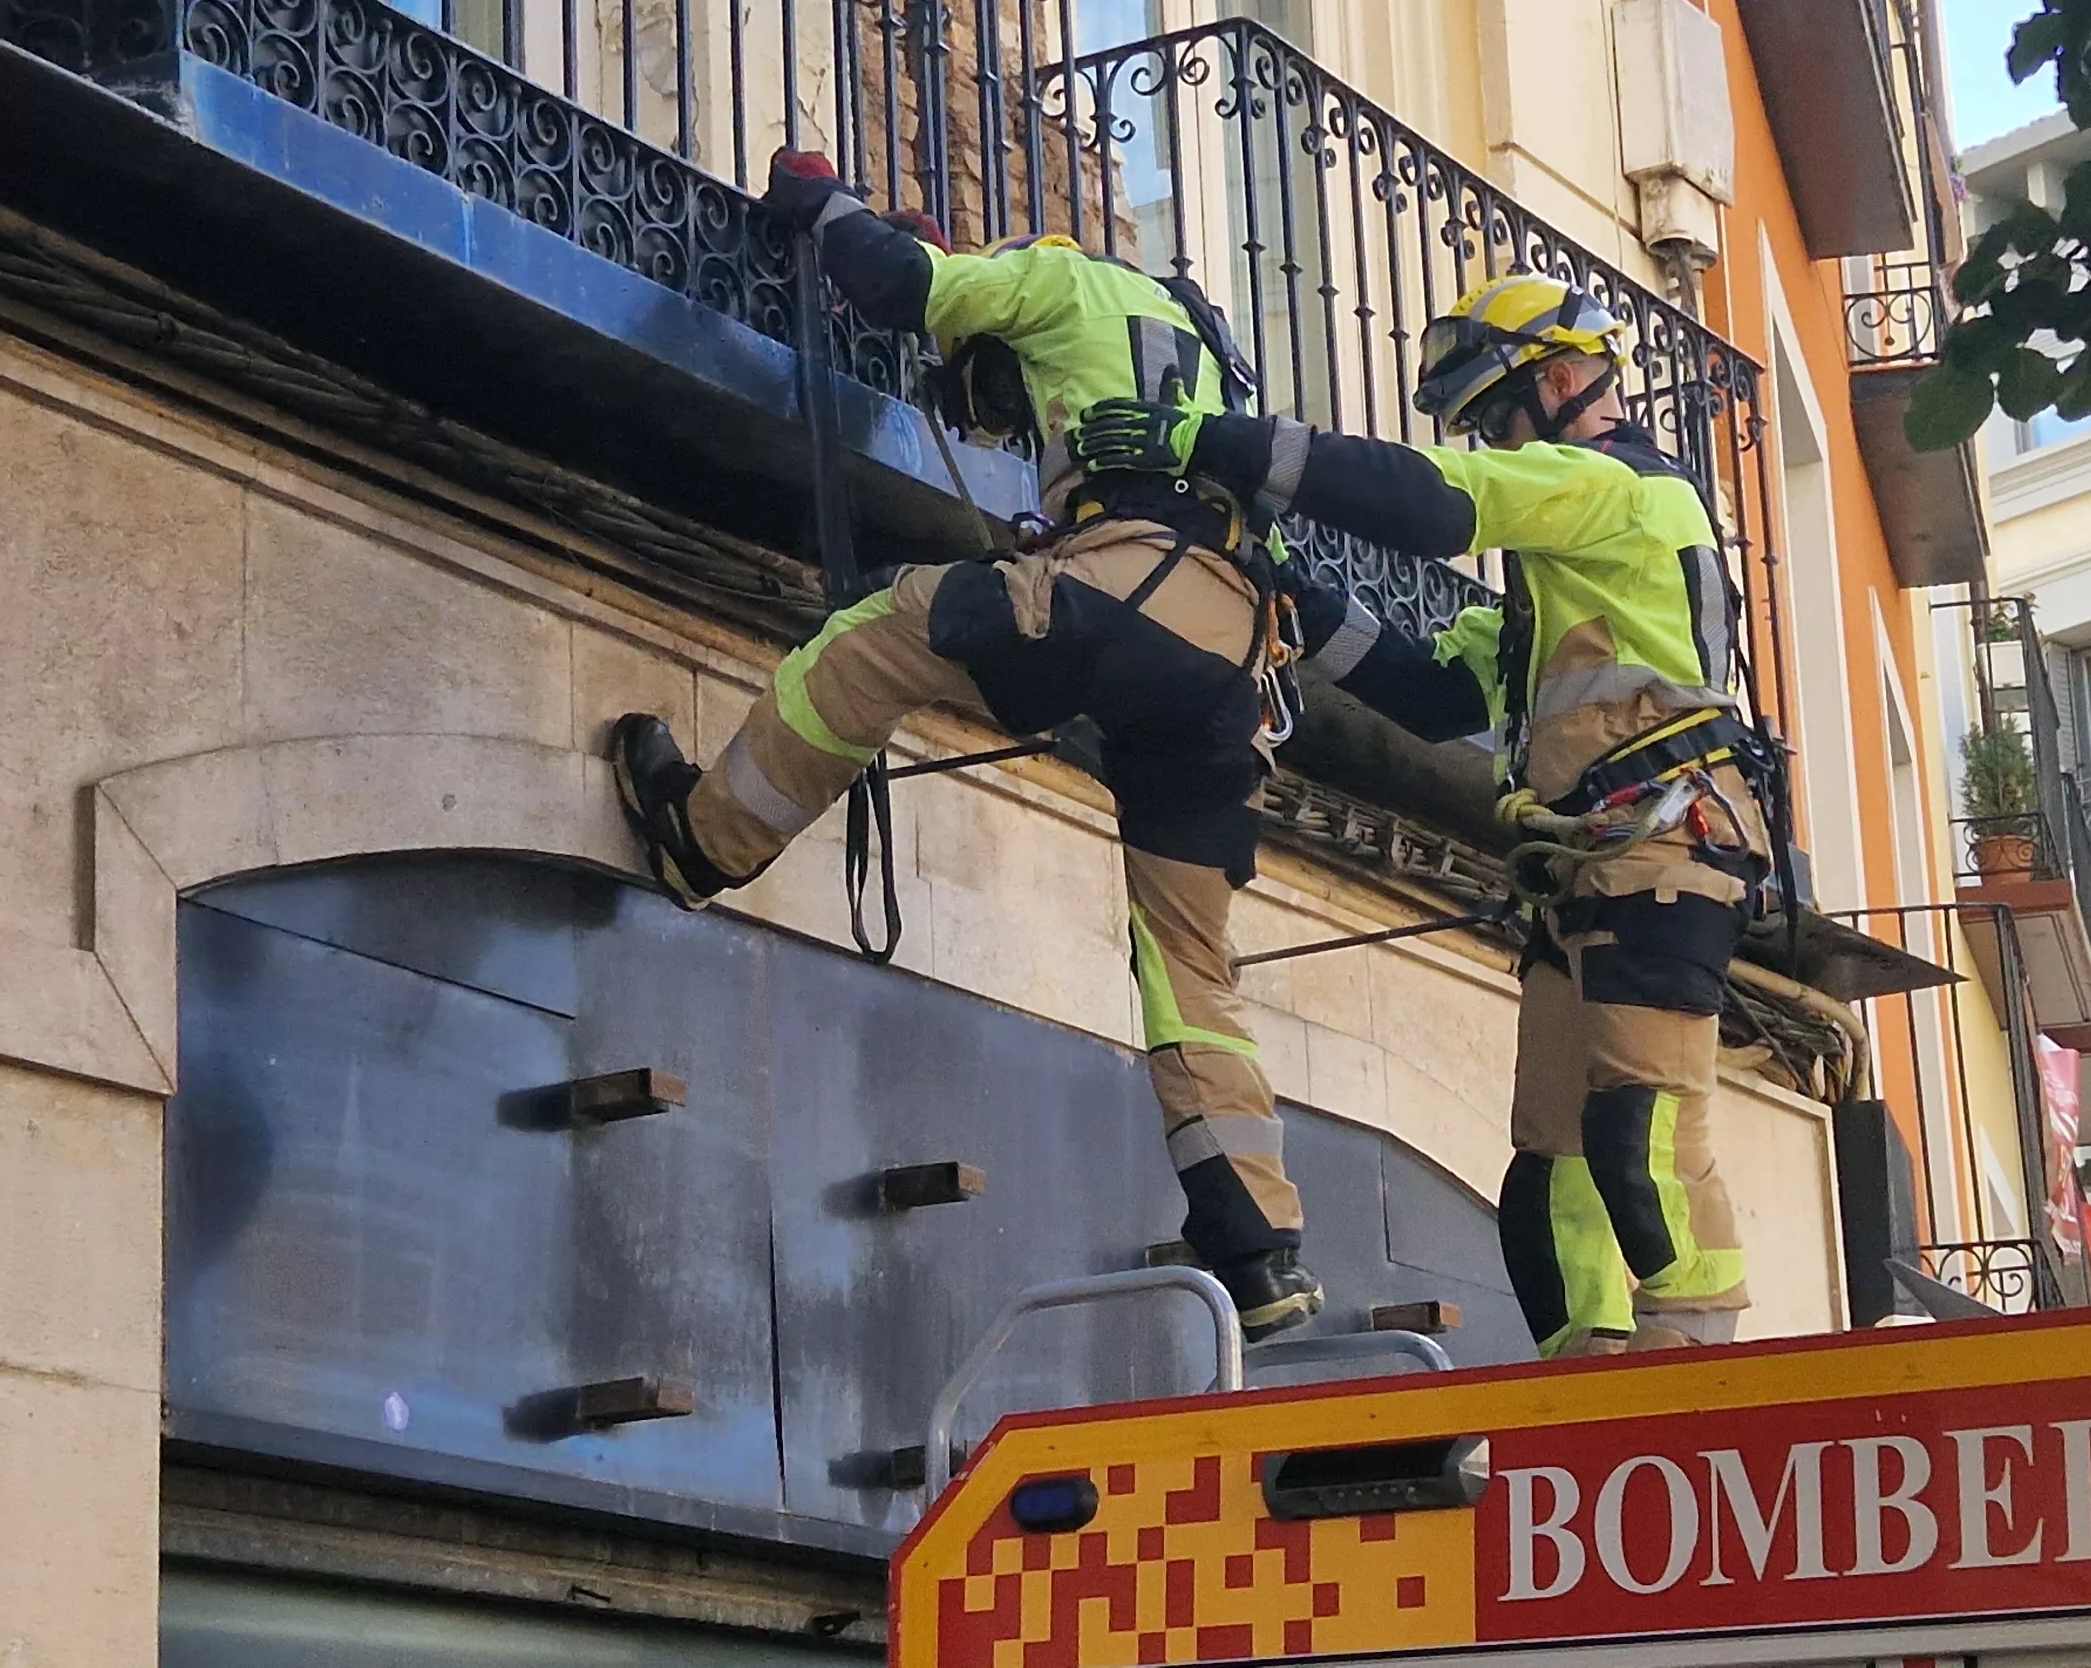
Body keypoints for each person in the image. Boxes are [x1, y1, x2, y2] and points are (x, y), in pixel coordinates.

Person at [606, 150, 1329, 1338]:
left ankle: (702, 842)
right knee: (1189, 968)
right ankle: (1261, 1253)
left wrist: (819, 203)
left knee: (878, 632)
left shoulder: (1060, 281)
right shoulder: (1205, 361)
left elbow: (903, 285)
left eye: (991, 397)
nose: (990, 419)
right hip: (1230, 668)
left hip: (1125, 597)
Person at [1073, 273, 1778, 1358]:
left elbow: (1432, 499)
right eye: (1484, 426)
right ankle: (1587, 1368)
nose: (1494, 441)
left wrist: (1216, 441)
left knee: (1641, 1125)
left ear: (1567, 381)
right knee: (1552, 1163)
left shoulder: (1627, 489)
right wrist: (1293, 595)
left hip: (1666, 849)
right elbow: (1432, 690)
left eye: (1499, 415)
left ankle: (1698, 1352)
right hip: (1594, 872)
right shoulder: (1560, 596)